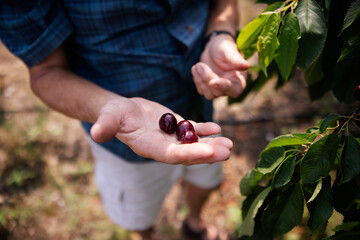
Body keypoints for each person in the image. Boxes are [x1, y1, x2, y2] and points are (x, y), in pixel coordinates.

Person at [0, 0, 249, 239]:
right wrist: (107, 106)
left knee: (206, 180)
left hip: (200, 111)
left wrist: (220, 34)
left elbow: (223, 4)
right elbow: (45, 71)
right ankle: (146, 235)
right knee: (138, 214)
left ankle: (194, 223)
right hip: (128, 140)